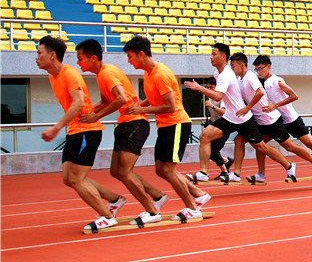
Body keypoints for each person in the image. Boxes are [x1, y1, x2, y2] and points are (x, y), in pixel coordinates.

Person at [76, 39, 170, 224]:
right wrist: (86, 113)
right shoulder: (101, 75)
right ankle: (156, 196)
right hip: (125, 124)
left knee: (125, 172)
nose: (78, 63)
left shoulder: (107, 73)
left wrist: (96, 117)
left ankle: (152, 212)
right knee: (116, 171)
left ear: (93, 58)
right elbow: (105, 101)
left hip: (135, 123)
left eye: (80, 59)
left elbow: (119, 99)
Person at [36, 35, 125, 232]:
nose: (36, 57)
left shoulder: (69, 74)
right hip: (76, 131)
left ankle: (107, 216)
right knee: (69, 178)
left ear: (52, 56)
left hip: (86, 130)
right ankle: (114, 200)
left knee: (76, 179)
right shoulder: (53, 76)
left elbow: (77, 103)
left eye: (39, 52)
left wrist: (56, 127)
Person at [122, 35, 210, 221]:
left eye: (130, 57)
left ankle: (192, 208)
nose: (129, 62)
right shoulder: (148, 73)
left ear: (141, 54)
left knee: (169, 169)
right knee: (161, 169)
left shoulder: (161, 74)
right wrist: (138, 107)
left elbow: (170, 105)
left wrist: (142, 109)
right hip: (165, 125)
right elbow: (156, 100)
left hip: (176, 123)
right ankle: (199, 194)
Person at [183, 43, 290, 183]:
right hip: (230, 117)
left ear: (223, 57)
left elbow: (217, 97)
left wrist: (200, 88)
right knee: (205, 136)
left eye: (214, 54)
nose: (211, 57)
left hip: (243, 118)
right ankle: (205, 172)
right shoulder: (218, 74)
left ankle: (288, 165)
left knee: (261, 146)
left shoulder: (227, 74)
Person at [252, 55, 312, 177]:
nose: (258, 72)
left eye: (260, 68)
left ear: (268, 66)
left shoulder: (277, 81)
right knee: (260, 144)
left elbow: (294, 96)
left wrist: (275, 105)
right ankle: (261, 174)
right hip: (279, 121)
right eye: (256, 69)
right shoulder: (264, 83)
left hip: (291, 120)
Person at [226, 52, 309, 183]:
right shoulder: (240, 80)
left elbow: (260, 92)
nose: (232, 69)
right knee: (241, 141)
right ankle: (247, 173)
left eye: (233, 66)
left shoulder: (250, 77)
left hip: (272, 120)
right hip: (259, 120)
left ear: (241, 65)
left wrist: (248, 108)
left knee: (289, 146)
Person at [187, 78, 234, 182]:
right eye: (207, 87)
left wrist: (212, 107)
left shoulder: (222, 98)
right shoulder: (209, 98)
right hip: (213, 126)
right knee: (208, 150)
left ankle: (224, 171)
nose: (209, 90)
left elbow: (224, 112)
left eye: (211, 88)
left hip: (224, 126)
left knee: (213, 150)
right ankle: (226, 161)